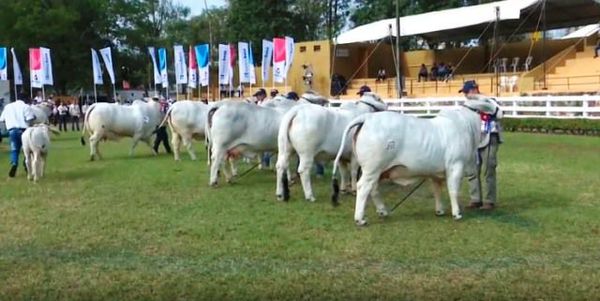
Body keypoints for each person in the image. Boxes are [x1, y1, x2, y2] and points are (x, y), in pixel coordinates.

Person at [460, 80, 503, 211]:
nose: (465, 95)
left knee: (488, 168)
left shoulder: (488, 101)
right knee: (472, 170)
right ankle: (475, 199)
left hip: (490, 136)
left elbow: (499, 114)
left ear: (473, 91)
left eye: (466, 92)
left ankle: (489, 200)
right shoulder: (466, 106)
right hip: (474, 140)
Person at [0, 96, 36, 177]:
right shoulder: (26, 106)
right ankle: (26, 163)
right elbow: (29, 119)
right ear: (25, 99)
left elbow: (2, 119)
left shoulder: (8, 106)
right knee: (28, 150)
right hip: (24, 131)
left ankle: (14, 163)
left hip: (12, 131)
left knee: (14, 150)